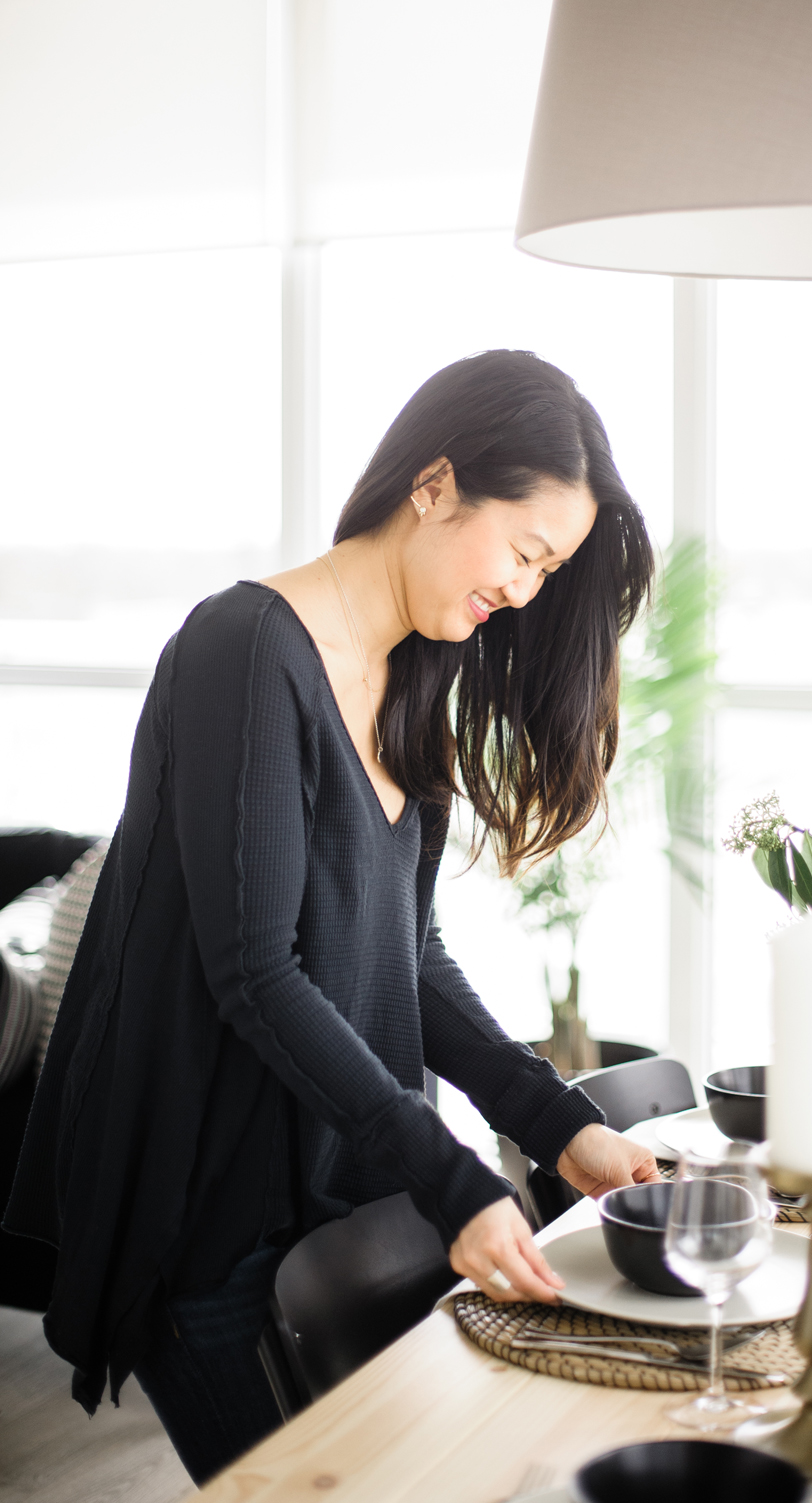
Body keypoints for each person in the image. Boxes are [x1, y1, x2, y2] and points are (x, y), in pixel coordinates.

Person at [5, 349, 660, 1485]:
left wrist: (556, 1126)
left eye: (546, 573)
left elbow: (408, 957)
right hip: (210, 1210)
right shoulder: (245, 649)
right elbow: (255, 972)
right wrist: (455, 1180)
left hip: (339, 1193)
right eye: (525, 552)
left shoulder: (414, 677)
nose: (522, 592)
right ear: (436, 484)